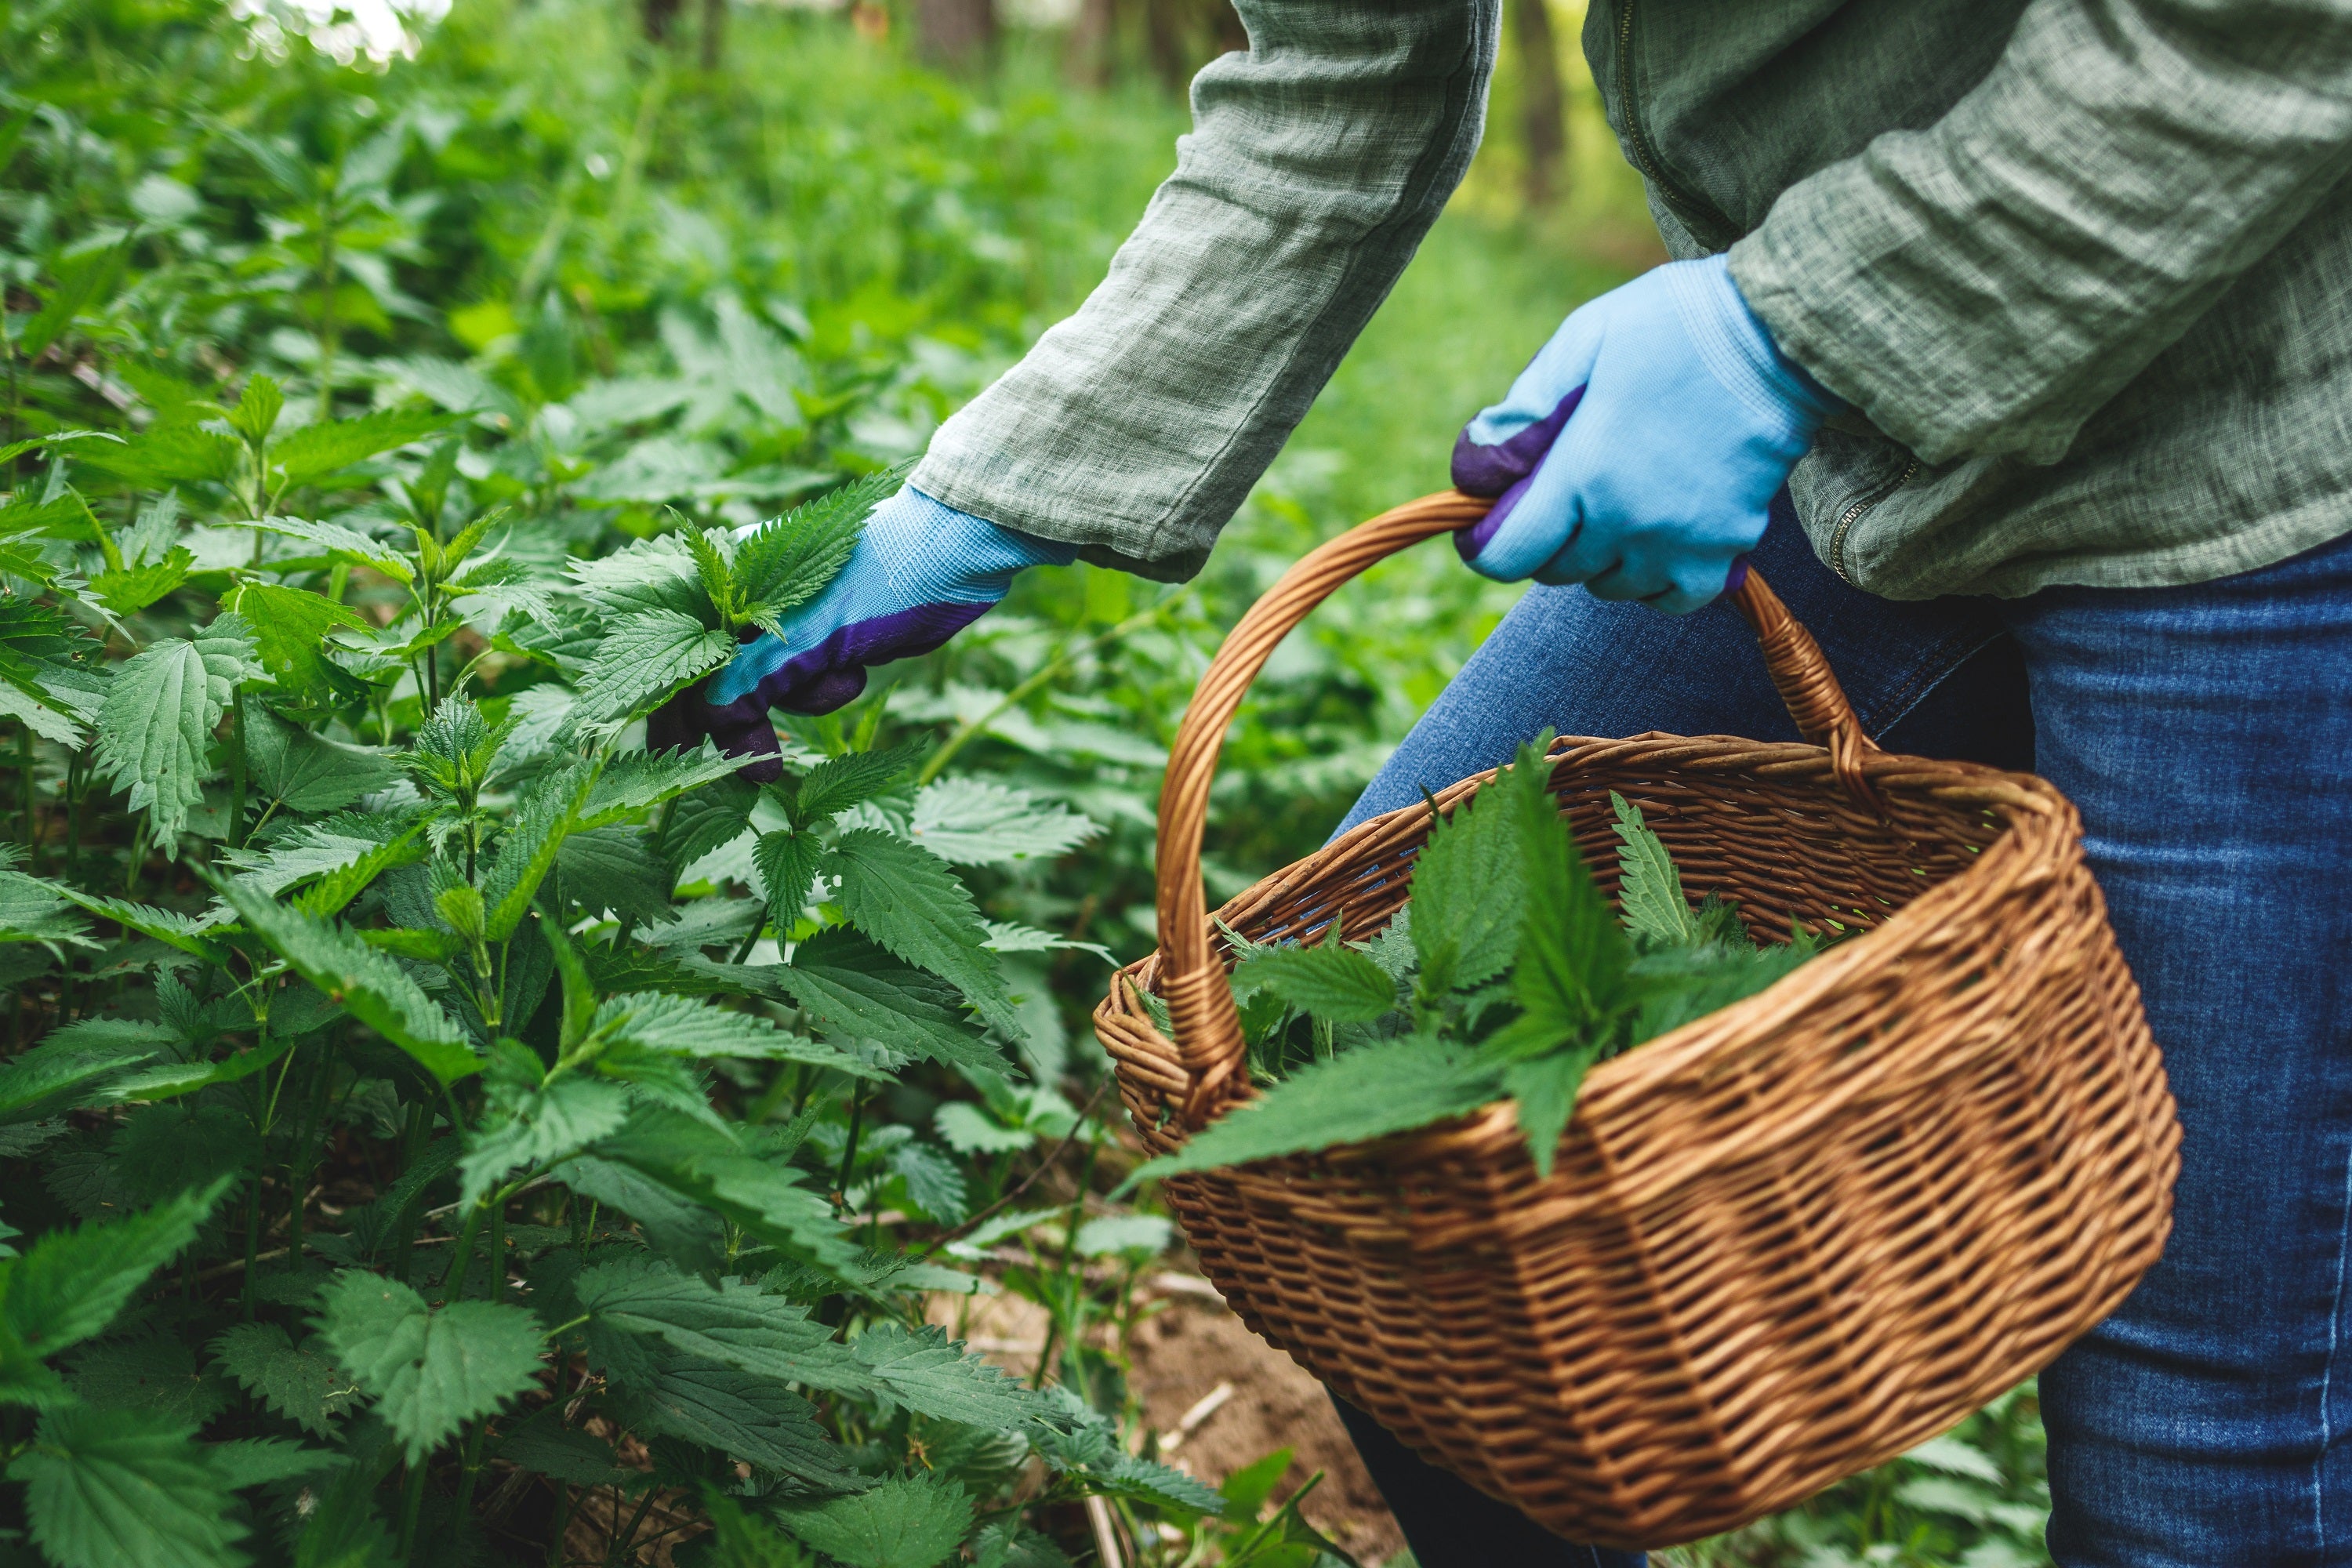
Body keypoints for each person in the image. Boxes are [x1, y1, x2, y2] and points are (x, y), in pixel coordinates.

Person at [665, 4, 2352, 1563]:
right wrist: (987, 500)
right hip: (1857, 450)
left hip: (2266, 428)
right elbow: (1346, 80)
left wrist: (1799, 326)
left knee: (2202, 1416)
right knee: (1401, 1131)